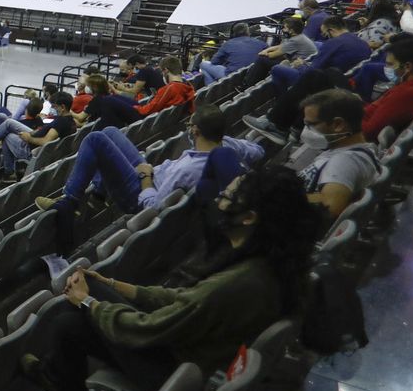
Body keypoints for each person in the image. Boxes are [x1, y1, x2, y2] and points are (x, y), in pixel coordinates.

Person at [14, 167, 323, 391]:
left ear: (249, 218)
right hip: (193, 357)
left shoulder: (239, 282)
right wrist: (111, 284)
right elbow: (187, 301)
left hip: (176, 374)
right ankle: (59, 379)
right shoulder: (267, 265)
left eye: (227, 197)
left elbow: (146, 328)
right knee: (84, 303)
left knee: (69, 324)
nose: (218, 200)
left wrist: (86, 302)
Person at [36, 104, 264, 274]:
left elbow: (153, 208)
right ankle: (98, 192)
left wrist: (145, 178)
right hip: (152, 174)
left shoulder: (189, 169)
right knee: (111, 132)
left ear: (195, 131)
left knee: (95, 139)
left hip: (141, 191)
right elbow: (257, 152)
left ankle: (70, 201)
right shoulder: (228, 145)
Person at [296, 89, 380, 219]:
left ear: (338, 124)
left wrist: (286, 198)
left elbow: (330, 209)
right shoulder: (358, 150)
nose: (306, 130)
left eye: (311, 124)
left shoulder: (344, 162)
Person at [363, 36, 413, 141]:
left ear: (407, 67)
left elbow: (369, 132)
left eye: (390, 64)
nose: (387, 68)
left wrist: (349, 118)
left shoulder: (407, 94)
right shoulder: (412, 87)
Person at [0, 92, 77, 177]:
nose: (52, 109)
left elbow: (46, 141)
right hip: (42, 147)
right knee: (8, 124)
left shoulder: (61, 122)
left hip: (33, 152)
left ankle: (9, 172)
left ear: (62, 107)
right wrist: (35, 132)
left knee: (7, 135)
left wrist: (29, 138)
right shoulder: (71, 121)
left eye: (54, 106)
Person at [70, 73, 141, 131]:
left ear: (94, 87)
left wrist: (68, 111)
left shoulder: (98, 100)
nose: (86, 87)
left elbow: (80, 117)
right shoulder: (108, 96)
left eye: (88, 85)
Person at [199, 24, 264, 85]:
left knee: (203, 64)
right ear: (248, 32)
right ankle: (212, 89)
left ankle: (211, 89)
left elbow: (214, 61)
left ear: (234, 33)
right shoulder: (260, 43)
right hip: (253, 75)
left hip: (232, 76)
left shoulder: (228, 43)